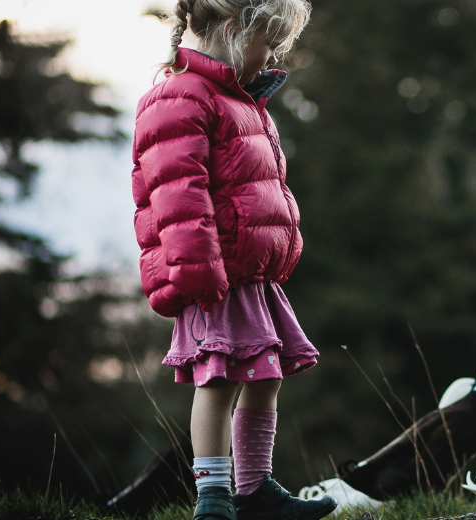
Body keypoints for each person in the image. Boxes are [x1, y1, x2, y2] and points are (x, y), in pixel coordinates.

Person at [130, 1, 332, 519]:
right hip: (213, 272)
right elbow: (176, 191)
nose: (269, 61)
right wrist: (197, 268)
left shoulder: (238, 99)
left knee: (265, 376)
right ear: (231, 31)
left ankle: (254, 488)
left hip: (248, 272)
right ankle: (214, 496)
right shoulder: (180, 96)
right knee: (218, 379)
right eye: (267, 46)